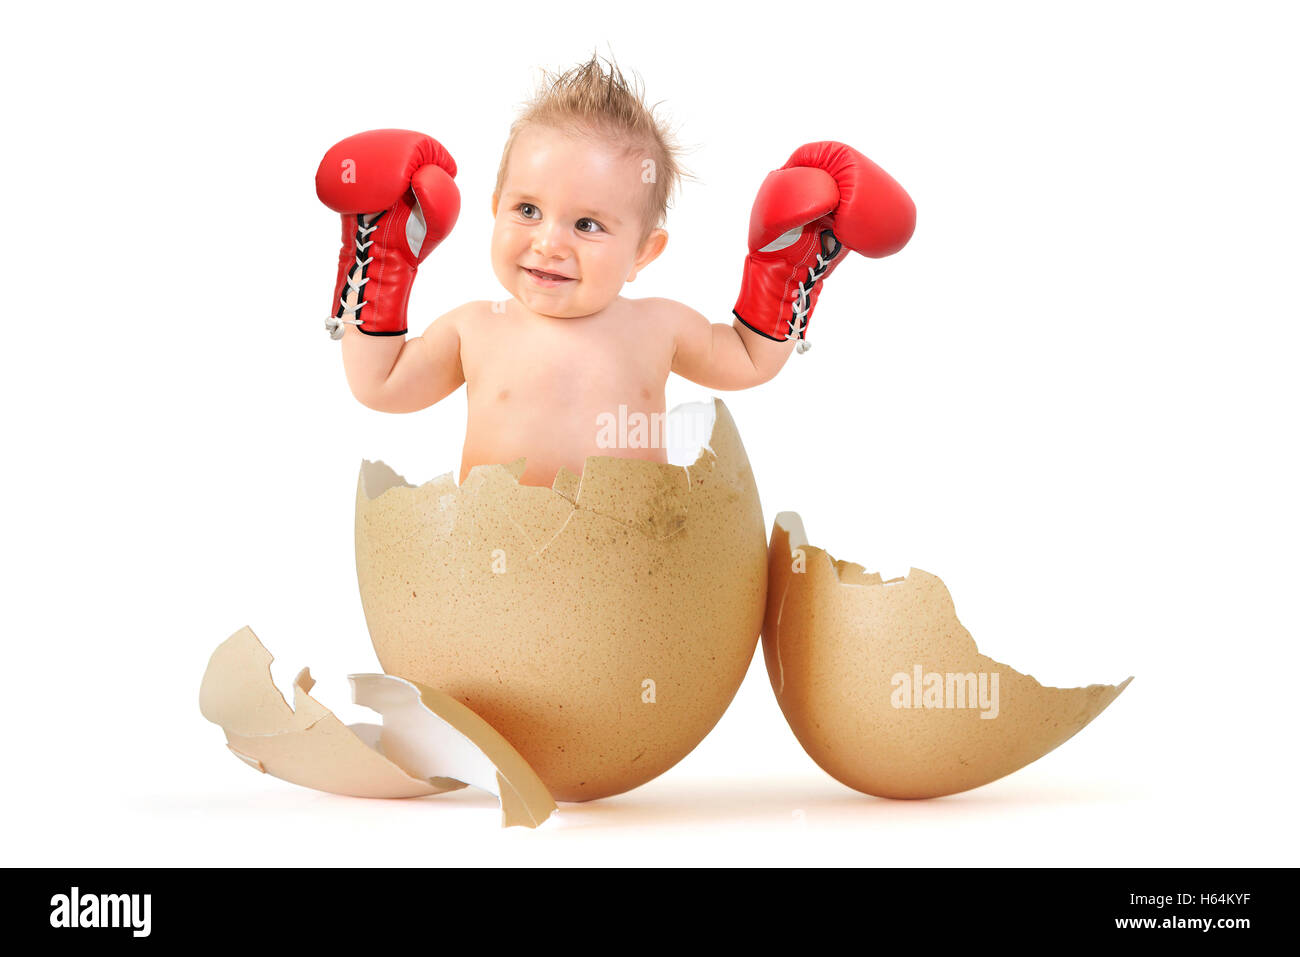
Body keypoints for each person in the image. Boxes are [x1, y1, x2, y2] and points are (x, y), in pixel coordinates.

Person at [316, 55, 915, 487]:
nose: (548, 243)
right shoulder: (476, 327)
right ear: (493, 209)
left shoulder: (658, 327)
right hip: (495, 578)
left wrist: (781, 272)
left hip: (627, 581)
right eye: (527, 210)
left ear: (643, 254)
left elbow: (750, 360)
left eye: (587, 225)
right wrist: (383, 264)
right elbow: (381, 386)